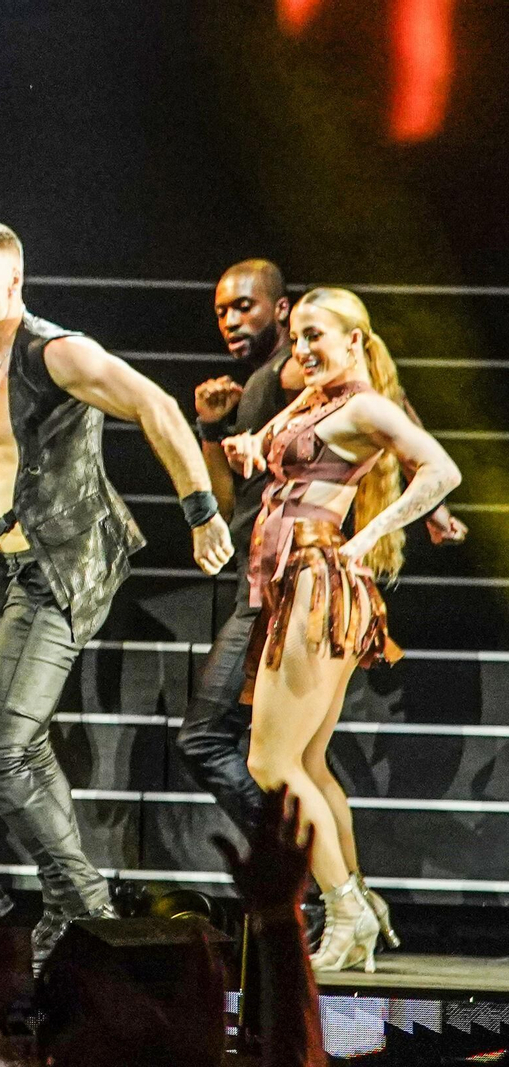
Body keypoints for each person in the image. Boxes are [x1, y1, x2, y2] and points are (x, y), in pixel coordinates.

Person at [0, 221, 233, 964]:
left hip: (66, 564)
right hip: (12, 574)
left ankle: (83, 901)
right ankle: (70, 904)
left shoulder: (56, 353)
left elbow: (157, 405)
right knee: (19, 743)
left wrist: (200, 508)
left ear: (14, 281)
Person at [178, 260, 465, 842]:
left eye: (245, 306)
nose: (230, 321)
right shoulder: (291, 394)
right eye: (221, 311)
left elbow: (384, 405)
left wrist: (424, 509)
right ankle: (340, 895)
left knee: (244, 752)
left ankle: (299, 886)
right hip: (259, 572)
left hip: (296, 575)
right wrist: (217, 432)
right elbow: (235, 493)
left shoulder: (297, 373)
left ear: (281, 310)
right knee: (298, 761)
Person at [222, 287, 460, 972]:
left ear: (355, 340)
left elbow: (441, 468)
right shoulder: (318, 400)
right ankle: (355, 906)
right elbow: (278, 455)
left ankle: (346, 905)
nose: (302, 348)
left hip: (315, 581)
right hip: (290, 581)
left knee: (271, 762)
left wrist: (367, 538)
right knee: (310, 762)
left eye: (316, 335)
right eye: (297, 336)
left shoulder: (363, 405)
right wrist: (245, 446)